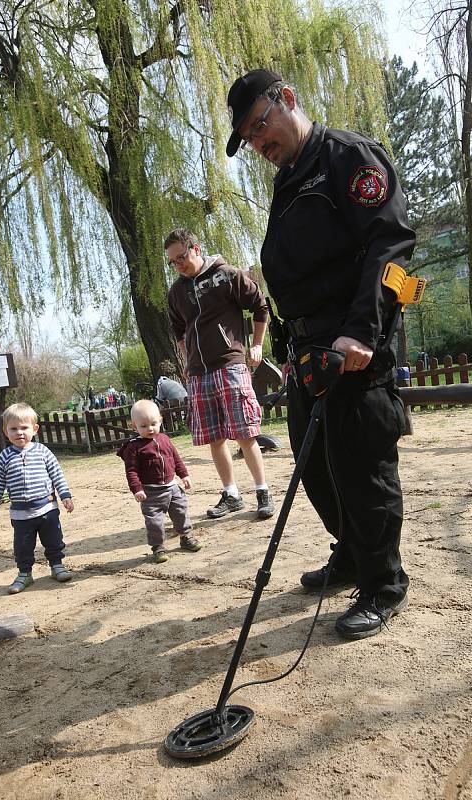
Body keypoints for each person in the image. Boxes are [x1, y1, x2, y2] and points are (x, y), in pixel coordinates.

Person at [225, 68, 416, 640]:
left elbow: (392, 246)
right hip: (308, 351)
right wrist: (288, 345)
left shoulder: (347, 158)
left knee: (362, 465)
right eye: (253, 143)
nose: (262, 146)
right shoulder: (289, 181)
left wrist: (361, 330)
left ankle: (383, 584)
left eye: (262, 128)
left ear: (287, 99)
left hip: (356, 343)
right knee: (314, 465)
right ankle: (353, 555)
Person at [165, 228, 275, 520]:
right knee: (215, 437)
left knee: (245, 433)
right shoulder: (176, 292)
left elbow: (260, 306)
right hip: (199, 373)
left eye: (182, 257)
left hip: (231, 364)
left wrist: (256, 345)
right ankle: (231, 493)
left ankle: (262, 490)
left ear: (196, 248)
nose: (179, 264)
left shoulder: (228, 275)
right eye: (172, 262)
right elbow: (179, 330)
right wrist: (188, 362)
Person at [0, 402, 74, 594]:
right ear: (5, 431)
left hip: (47, 509)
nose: (19, 433)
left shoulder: (43, 452)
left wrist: (65, 495)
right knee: (22, 546)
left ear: (34, 429)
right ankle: (25, 573)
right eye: (13, 429)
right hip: (20, 514)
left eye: (24, 428)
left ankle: (57, 565)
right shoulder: (4, 457)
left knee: (53, 539)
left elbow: (57, 474)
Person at [117, 399, 201, 563]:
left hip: (172, 487)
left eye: (153, 424)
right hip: (151, 492)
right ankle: (158, 547)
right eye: (143, 426)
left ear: (160, 421)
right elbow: (131, 471)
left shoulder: (164, 439)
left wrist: (184, 475)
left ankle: (185, 537)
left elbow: (175, 459)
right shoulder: (134, 447)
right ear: (134, 426)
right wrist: (137, 489)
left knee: (180, 512)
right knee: (154, 521)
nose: (150, 429)